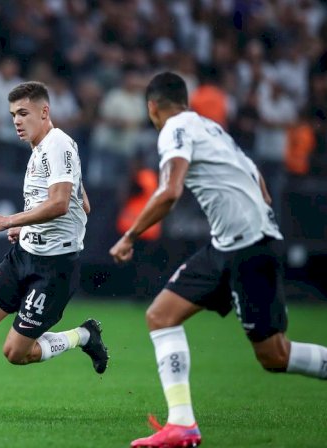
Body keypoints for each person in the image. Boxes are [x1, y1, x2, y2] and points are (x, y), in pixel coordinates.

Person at [109, 72, 327, 448]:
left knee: (275, 355)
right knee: (160, 315)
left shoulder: (173, 128)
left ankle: (183, 424)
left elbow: (170, 191)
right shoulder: (210, 128)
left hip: (248, 247)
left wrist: (129, 236)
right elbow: (258, 178)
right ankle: (182, 424)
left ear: (152, 108)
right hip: (229, 243)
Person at [0, 81, 109, 414]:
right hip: (23, 255)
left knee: (16, 353)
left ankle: (83, 335)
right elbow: (81, 203)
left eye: (23, 113)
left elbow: (58, 203)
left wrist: (11, 221)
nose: (16, 121)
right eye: (13, 114)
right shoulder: (39, 148)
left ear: (45, 112)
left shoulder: (58, 145)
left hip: (53, 269)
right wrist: (28, 225)